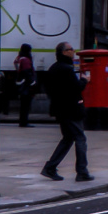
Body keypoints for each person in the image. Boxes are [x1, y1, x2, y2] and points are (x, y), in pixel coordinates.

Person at [39, 42, 92, 181]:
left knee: (68, 139)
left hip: (60, 109)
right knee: (80, 138)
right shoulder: (67, 69)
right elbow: (75, 88)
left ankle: (50, 168)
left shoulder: (54, 68)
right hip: (71, 109)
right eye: (70, 49)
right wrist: (84, 80)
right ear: (64, 52)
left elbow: (48, 89)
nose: (73, 51)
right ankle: (82, 172)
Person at [13, 44, 38, 126]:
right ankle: (24, 122)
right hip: (26, 85)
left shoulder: (19, 58)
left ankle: (22, 121)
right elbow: (27, 72)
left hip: (21, 83)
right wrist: (32, 82)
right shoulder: (26, 60)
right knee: (26, 105)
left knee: (23, 105)